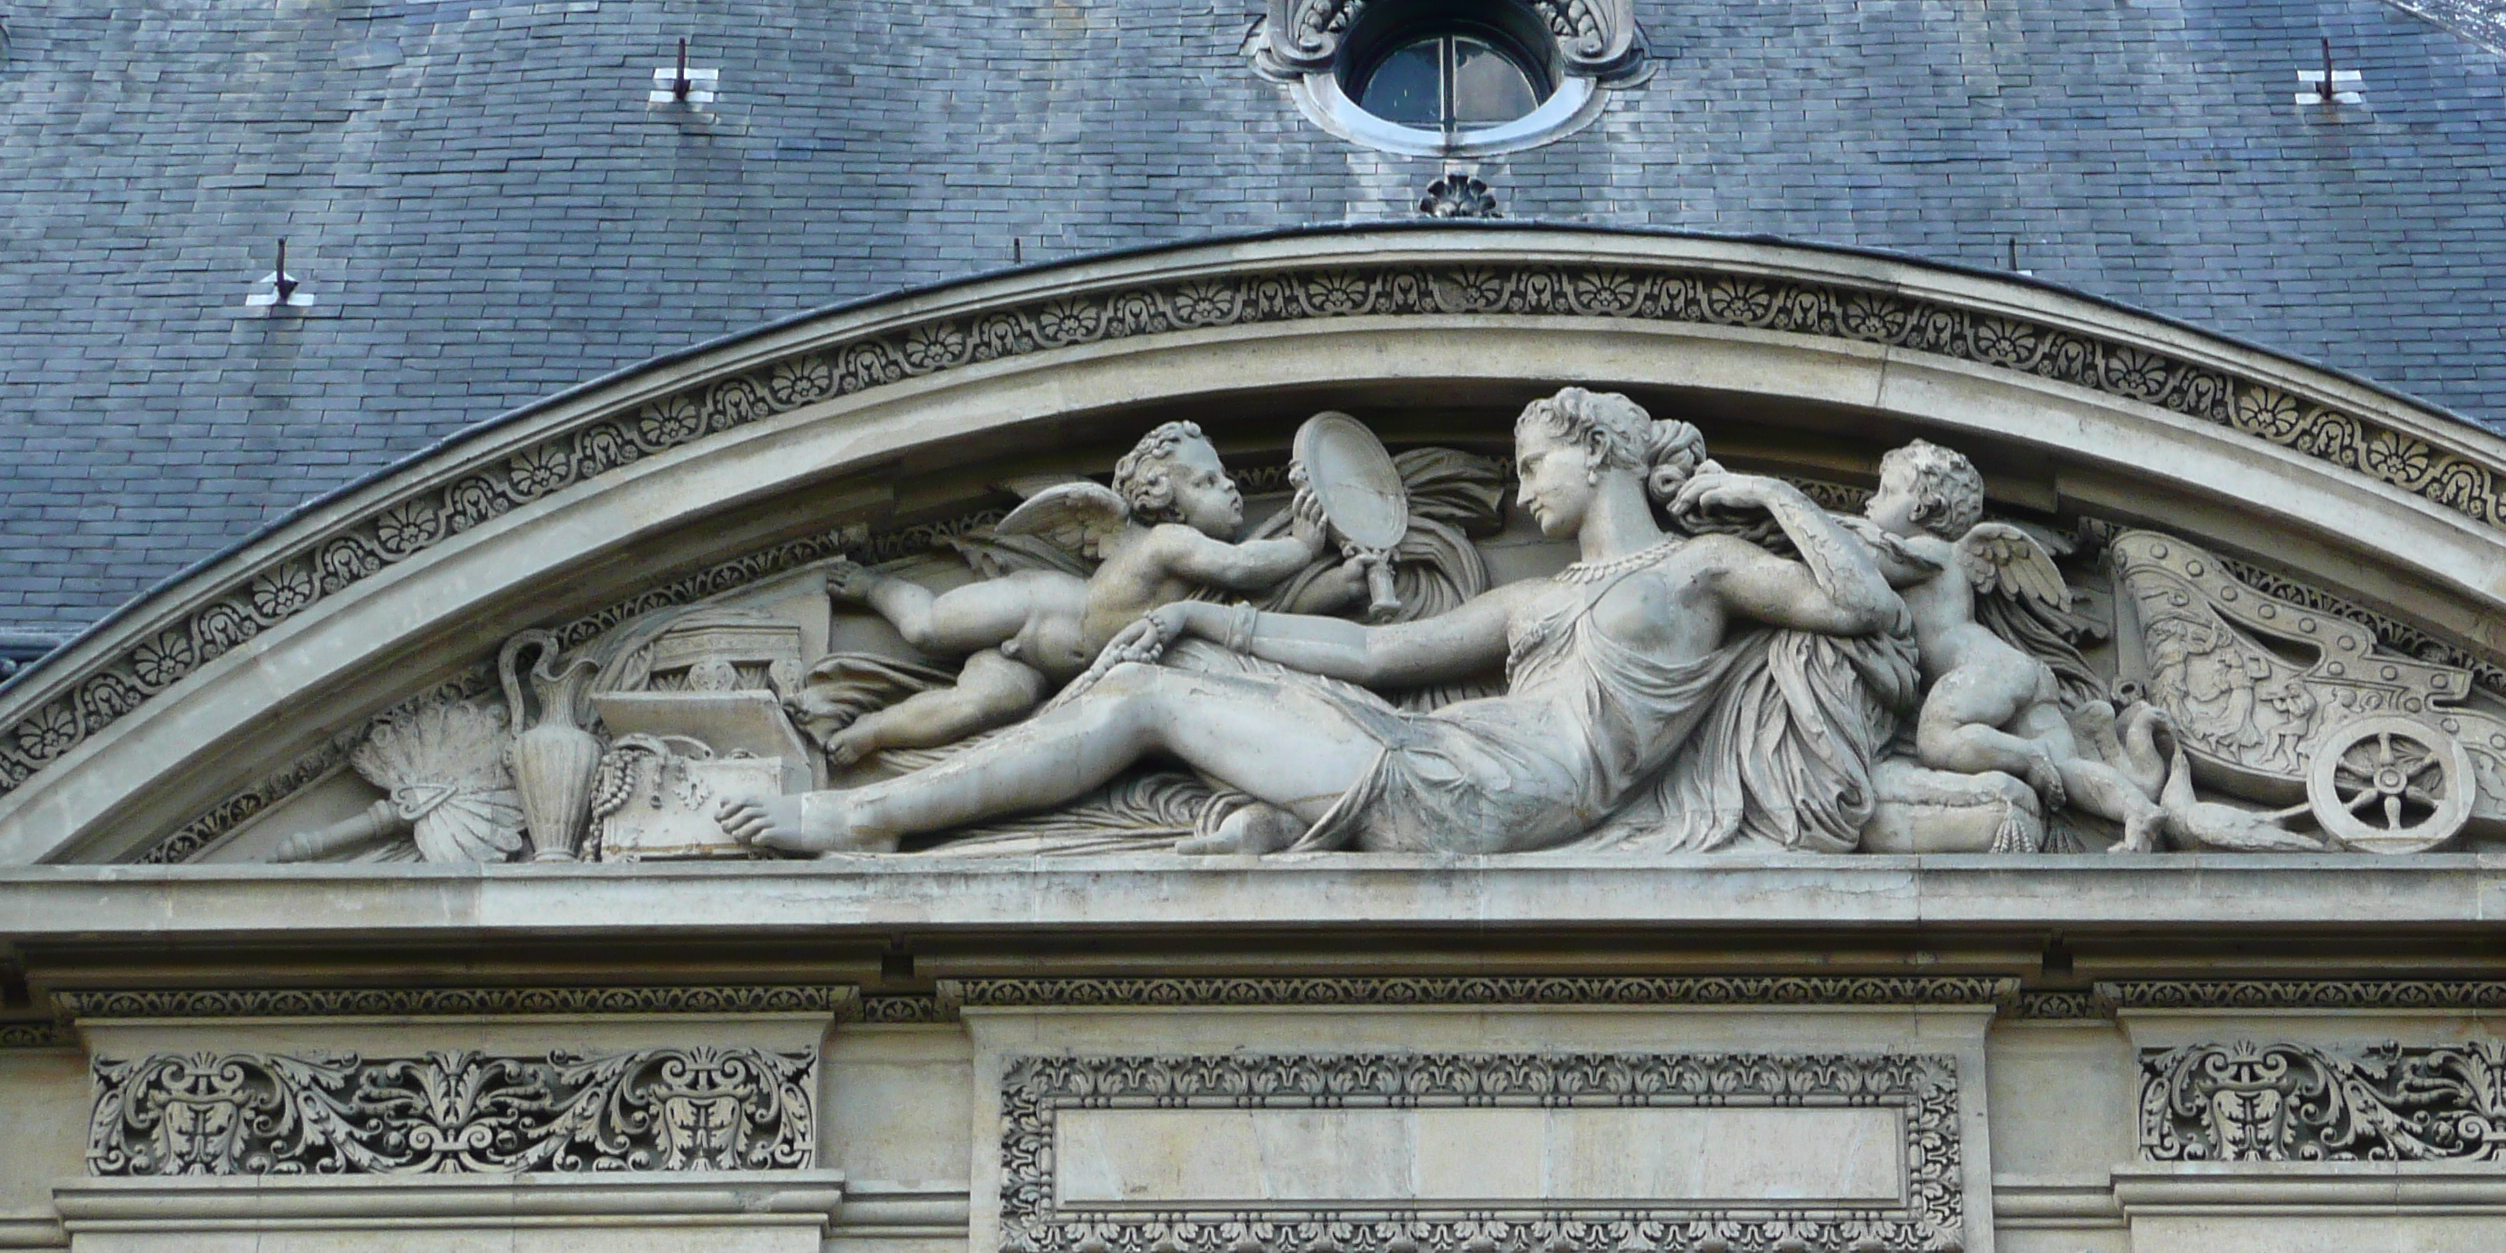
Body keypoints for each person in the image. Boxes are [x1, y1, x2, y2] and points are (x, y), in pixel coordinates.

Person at [718, 388, 1906, 856]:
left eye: (1533, 463)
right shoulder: (1538, 598)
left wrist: (1768, 494)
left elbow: (1859, 603)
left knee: (1139, 698)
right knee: (1181, 677)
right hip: (1450, 756)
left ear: (1598, 458)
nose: (1519, 489)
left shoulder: (1699, 570)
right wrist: (1206, 625)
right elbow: (1376, 653)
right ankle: (1266, 827)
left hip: (1501, 792)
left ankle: (848, 814)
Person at [812, 420, 1332, 762]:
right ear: (1164, 498)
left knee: (976, 707)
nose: (1231, 487)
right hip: (1038, 605)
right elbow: (1243, 566)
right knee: (926, 627)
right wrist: (1304, 548)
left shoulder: (1191, 570)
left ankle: (874, 731)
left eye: (1224, 479)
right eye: (1207, 482)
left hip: (1046, 669)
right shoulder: (1172, 542)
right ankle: (873, 584)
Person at [1854, 440, 2165, 852]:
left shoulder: (1927, 551)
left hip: (1980, 673)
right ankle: (2136, 810)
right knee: (2069, 766)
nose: (1869, 503)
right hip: (2020, 672)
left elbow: (1860, 563)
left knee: (1937, 738)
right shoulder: (1950, 556)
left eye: (1886, 492)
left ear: (1921, 508)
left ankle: (2027, 756)